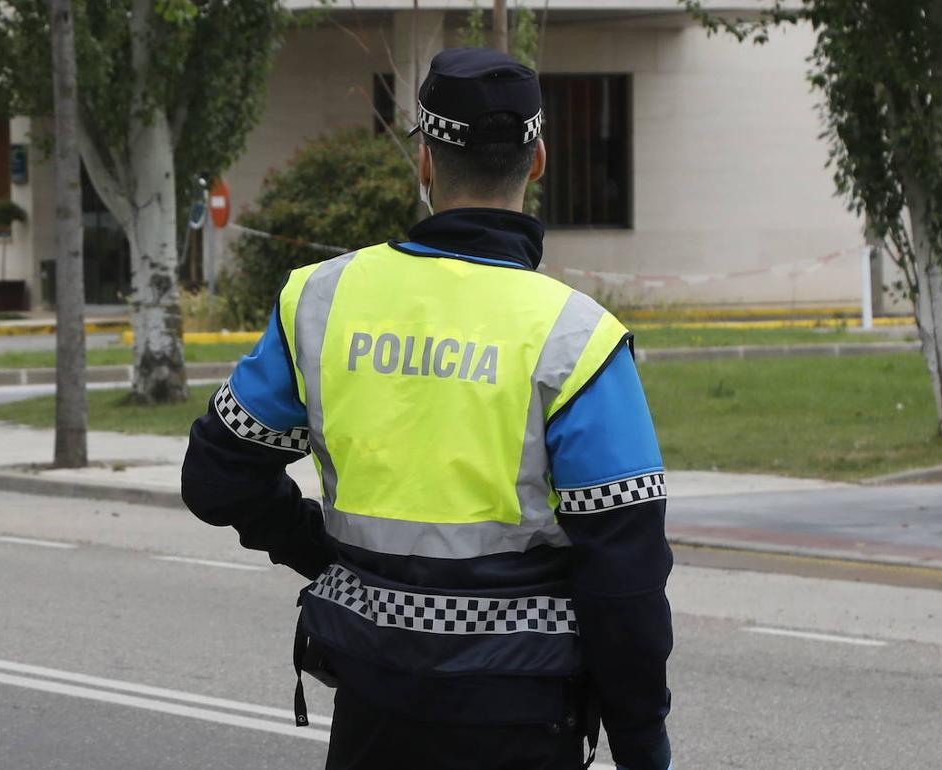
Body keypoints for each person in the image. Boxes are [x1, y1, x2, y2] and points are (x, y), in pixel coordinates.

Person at [181, 47, 673, 770]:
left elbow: (215, 476)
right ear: (538, 160)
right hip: (523, 718)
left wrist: (323, 553)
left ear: (424, 162)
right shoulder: (579, 339)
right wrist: (641, 744)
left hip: (372, 708)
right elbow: (625, 576)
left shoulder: (320, 300)